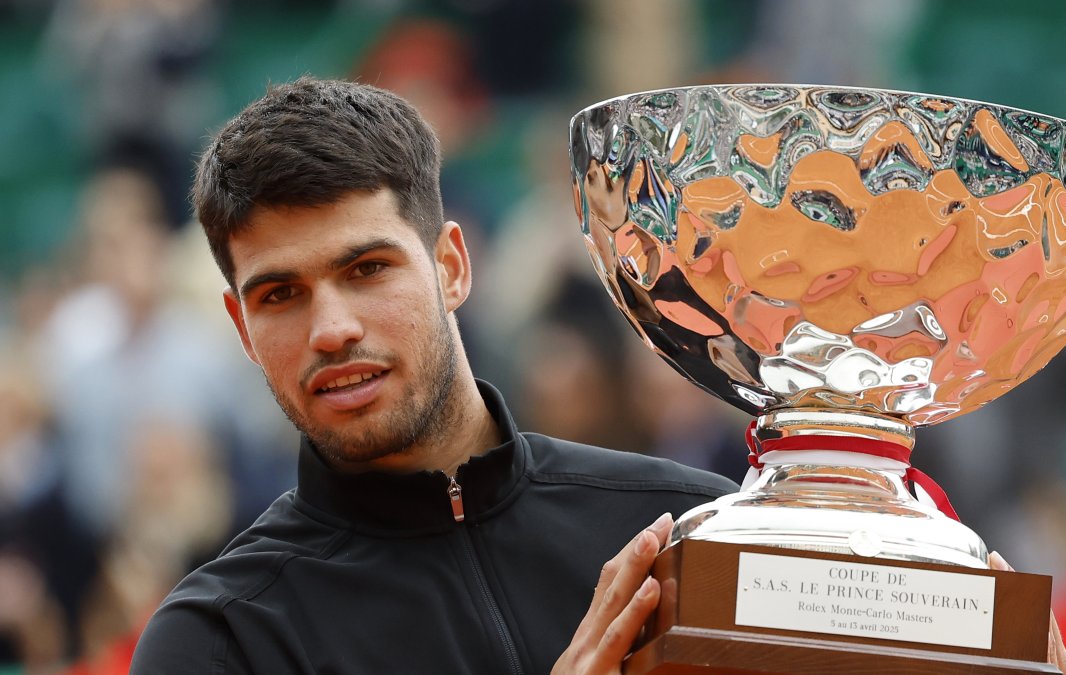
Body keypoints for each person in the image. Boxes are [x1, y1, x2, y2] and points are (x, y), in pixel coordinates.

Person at [128, 77, 737, 674]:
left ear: (451, 268)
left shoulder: (688, 531)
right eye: (280, 294)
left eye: (367, 269)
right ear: (243, 330)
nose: (331, 330)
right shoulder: (219, 639)